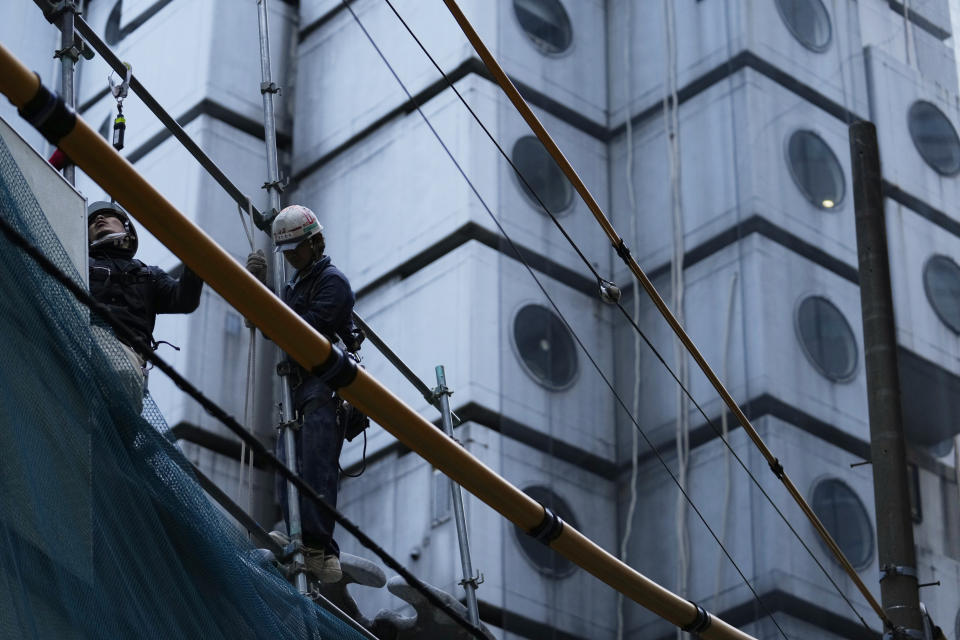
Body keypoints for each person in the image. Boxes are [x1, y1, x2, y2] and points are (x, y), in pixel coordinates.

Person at [245, 204, 357, 584]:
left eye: (296, 247)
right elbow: (276, 330)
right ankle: (295, 531)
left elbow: (300, 333)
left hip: (324, 383)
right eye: (286, 250)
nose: (290, 256)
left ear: (314, 242)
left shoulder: (333, 283)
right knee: (288, 463)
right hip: (297, 385)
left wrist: (264, 301)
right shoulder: (296, 286)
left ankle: (319, 548)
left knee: (317, 463)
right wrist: (258, 292)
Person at [87, 200, 203, 393]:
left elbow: (184, 299)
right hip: (84, 344)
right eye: (91, 221)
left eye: (108, 215)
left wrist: (196, 257)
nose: (99, 218)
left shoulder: (149, 275)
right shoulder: (80, 262)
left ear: (127, 229)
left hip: (127, 360)